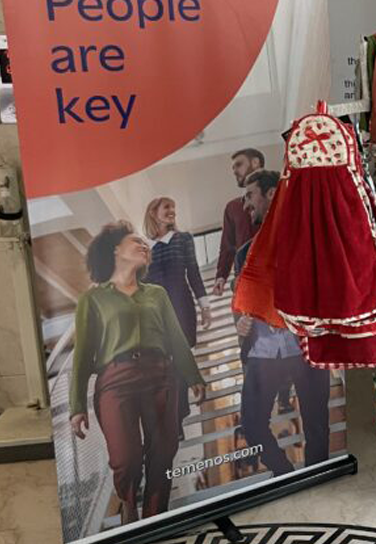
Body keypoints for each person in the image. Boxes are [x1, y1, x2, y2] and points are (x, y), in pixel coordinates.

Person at [69, 222, 205, 524]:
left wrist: (193, 376)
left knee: (164, 450)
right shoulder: (92, 299)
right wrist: (77, 406)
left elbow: (176, 337)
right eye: (136, 241)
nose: (145, 245)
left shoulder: (156, 293)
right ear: (115, 248)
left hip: (160, 375)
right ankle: (130, 506)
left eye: (145, 242)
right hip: (115, 381)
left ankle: (155, 521)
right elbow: (81, 355)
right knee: (126, 459)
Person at [235, 170, 331, 477]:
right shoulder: (242, 255)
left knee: (316, 422)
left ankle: (317, 479)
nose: (246, 204)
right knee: (251, 423)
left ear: (272, 194)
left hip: (304, 346)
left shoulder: (308, 237)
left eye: (251, 195)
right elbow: (243, 303)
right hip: (263, 352)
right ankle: (285, 475)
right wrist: (241, 323)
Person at [144, 196, 211, 432]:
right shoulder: (145, 248)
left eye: (174, 207)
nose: (172, 211)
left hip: (182, 306)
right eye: (167, 208)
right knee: (166, 365)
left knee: (180, 359)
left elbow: (193, 272)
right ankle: (177, 413)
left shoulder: (184, 239)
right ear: (153, 213)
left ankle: (177, 419)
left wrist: (205, 306)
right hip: (156, 313)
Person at [213, 148, 264, 297]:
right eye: (233, 168)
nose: (234, 171)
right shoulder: (232, 208)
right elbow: (227, 246)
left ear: (255, 162)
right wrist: (221, 276)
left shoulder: (281, 194)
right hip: (246, 283)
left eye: (239, 164)